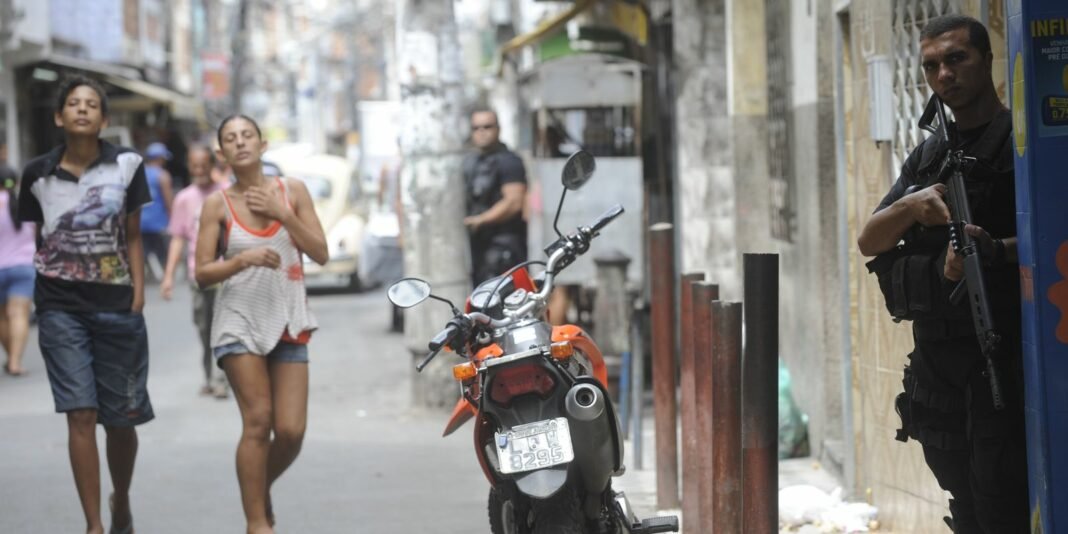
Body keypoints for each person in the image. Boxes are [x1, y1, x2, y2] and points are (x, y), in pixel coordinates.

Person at [857, 15, 1027, 532]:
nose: (943, 75)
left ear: (987, 59)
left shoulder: (1020, 145)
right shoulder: (930, 154)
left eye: (956, 58)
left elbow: (1051, 241)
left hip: (1004, 356)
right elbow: (870, 239)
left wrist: (991, 251)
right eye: (931, 66)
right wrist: (912, 205)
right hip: (941, 371)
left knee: (1004, 505)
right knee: (966, 505)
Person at [17, 75, 152, 534]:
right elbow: (39, 236)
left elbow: (133, 235)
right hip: (59, 307)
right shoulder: (36, 173)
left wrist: (137, 295)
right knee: (80, 413)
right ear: (59, 117)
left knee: (121, 421)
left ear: (104, 119)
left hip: (117, 306)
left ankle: (122, 500)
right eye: (73, 103)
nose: (81, 109)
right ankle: (93, 525)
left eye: (91, 104)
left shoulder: (128, 164)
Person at [194, 114, 327, 534]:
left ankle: (258, 489)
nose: (240, 143)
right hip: (239, 321)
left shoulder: (293, 191)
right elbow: (201, 273)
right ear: (222, 153)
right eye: (230, 139)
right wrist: (241, 260)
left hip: (288, 316)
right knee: (258, 421)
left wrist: (282, 214)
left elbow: (320, 253)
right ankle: (257, 523)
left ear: (262, 144)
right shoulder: (217, 205)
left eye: (247, 135)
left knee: (290, 431)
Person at [161, 145, 229, 398]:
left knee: (222, 326)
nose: (199, 170)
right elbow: (178, 238)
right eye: (194, 166)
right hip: (197, 275)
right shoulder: (184, 199)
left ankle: (220, 379)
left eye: (203, 165)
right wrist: (168, 276)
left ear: (212, 165)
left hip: (226, 273)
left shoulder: (227, 193)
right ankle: (209, 376)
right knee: (203, 327)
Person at [462, 108, 528, 285]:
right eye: (476, 128)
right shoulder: (472, 161)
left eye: (487, 127)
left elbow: (514, 202)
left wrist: (480, 220)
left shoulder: (509, 161)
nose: (481, 132)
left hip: (504, 247)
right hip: (480, 249)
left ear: (498, 129)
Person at [0, 141, 35, 377]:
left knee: (3, 317)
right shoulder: (24, 203)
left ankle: (10, 356)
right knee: (19, 314)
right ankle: (15, 361)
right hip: (23, 267)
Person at [140, 142, 174, 281]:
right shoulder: (163, 175)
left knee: (143, 252)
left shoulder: (139, 174)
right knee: (164, 252)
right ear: (160, 158)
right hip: (158, 223)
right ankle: (167, 276)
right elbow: (168, 200)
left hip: (140, 222)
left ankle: (146, 276)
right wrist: (173, 219)